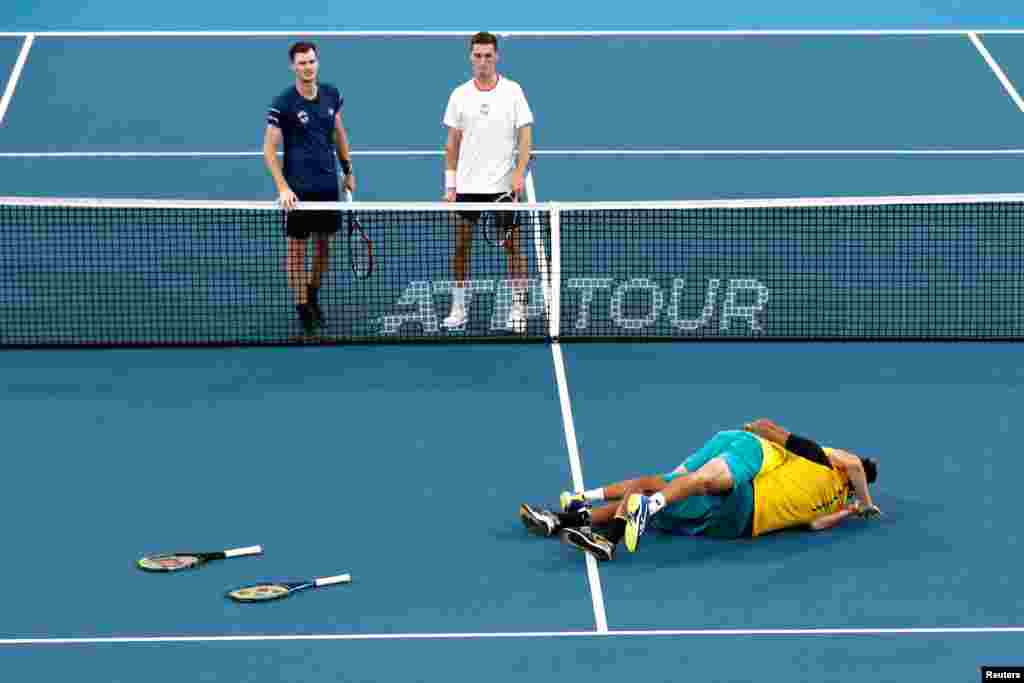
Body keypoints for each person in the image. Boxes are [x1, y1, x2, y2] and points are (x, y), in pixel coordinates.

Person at [519, 419, 881, 561]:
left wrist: (865, 501)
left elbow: (770, 429)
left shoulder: (822, 458)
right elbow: (815, 526)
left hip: (747, 497)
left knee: (657, 487)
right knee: (660, 506)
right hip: (738, 530)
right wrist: (853, 510)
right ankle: (566, 521)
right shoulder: (831, 501)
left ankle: (590, 508)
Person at [441, 31, 534, 333]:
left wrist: (519, 172)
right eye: (478, 56)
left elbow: (525, 135)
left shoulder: (513, 91)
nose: (483, 61)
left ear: (497, 57)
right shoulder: (459, 95)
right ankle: (458, 306)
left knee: (512, 249)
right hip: (468, 188)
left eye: (488, 56)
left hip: (502, 188)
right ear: (471, 57)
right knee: (461, 248)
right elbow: (452, 143)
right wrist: (450, 185)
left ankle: (519, 305)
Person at [264, 41, 356, 335]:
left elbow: (339, 133)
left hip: (328, 186)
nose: (308, 67)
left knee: (324, 247)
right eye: (302, 63)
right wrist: (282, 188)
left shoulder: (332, 95)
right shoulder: (283, 104)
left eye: (312, 61)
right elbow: (268, 150)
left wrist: (348, 170)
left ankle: (313, 293)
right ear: (293, 66)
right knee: (295, 251)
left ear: (318, 63)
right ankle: (302, 306)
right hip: (298, 192)